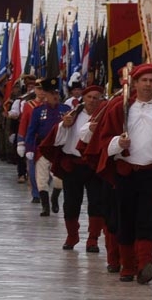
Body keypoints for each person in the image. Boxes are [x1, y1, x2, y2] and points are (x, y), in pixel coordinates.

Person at [87, 64, 152, 283]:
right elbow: (103, 139)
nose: (148, 84)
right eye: (144, 80)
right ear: (135, 83)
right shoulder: (119, 108)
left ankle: (145, 263)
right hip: (126, 171)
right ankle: (127, 266)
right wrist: (117, 143)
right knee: (126, 218)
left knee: (147, 218)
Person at [40, 84, 107, 251]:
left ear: (101, 100)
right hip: (73, 164)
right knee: (70, 203)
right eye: (89, 97)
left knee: (96, 202)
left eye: (96, 97)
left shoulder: (104, 116)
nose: (92, 101)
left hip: (94, 166)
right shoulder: (73, 115)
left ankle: (93, 239)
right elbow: (58, 139)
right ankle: (72, 235)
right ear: (83, 98)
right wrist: (64, 125)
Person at [26, 78, 69, 217]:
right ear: (46, 95)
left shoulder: (66, 110)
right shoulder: (38, 111)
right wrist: (29, 149)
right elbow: (31, 131)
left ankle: (55, 198)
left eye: (56, 93)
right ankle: (45, 207)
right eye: (52, 93)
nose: (55, 96)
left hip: (59, 149)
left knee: (59, 179)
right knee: (41, 179)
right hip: (43, 148)